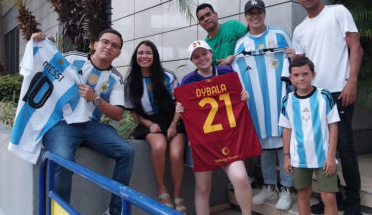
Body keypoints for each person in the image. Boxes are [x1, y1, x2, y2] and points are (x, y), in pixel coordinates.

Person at [32, 29, 135, 215]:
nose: (108, 47)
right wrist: (41, 43)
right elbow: (45, 63)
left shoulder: (116, 78)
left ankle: (115, 211)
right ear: (95, 44)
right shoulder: (72, 58)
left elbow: (118, 114)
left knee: (127, 151)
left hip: (90, 125)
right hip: (62, 123)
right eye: (105, 42)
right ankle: (60, 212)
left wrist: (95, 98)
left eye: (115, 46)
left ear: (118, 53)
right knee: (63, 161)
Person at [290, 0, 364, 214]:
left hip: (339, 92)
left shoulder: (337, 12)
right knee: (322, 150)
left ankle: (353, 201)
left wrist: (352, 81)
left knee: (344, 145)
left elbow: (356, 47)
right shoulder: (300, 30)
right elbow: (301, 65)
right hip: (313, 97)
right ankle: (331, 195)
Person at [175, 40, 252, 215]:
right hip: (203, 142)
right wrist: (180, 110)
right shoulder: (188, 80)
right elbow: (186, 111)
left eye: (204, 53)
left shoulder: (226, 71)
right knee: (203, 188)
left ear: (211, 53)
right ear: (192, 60)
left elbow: (235, 101)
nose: (202, 58)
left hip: (227, 137)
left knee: (241, 179)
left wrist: (243, 96)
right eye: (196, 56)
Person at [233, 0, 293, 210]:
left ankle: (286, 188)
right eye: (251, 13)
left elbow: (294, 63)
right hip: (256, 106)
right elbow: (236, 74)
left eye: (259, 12)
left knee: (282, 144)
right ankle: (270, 187)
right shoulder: (241, 45)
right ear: (246, 17)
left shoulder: (280, 35)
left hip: (280, 100)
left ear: (264, 13)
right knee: (264, 148)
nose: (255, 16)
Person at [124, 40, 186, 213]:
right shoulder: (131, 82)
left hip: (173, 118)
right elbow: (133, 112)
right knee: (159, 146)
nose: (144, 56)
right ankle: (161, 188)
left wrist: (174, 124)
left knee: (176, 153)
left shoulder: (168, 76)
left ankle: (178, 193)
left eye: (148, 53)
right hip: (149, 121)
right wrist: (149, 124)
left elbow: (180, 103)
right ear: (136, 57)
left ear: (155, 56)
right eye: (141, 53)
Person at [280, 56, 340, 215]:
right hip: (299, 157)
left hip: (324, 157)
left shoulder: (324, 96)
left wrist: (331, 155)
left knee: (329, 197)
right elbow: (286, 129)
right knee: (303, 194)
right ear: (291, 78)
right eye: (296, 75)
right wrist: (286, 156)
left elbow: (333, 125)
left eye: (305, 74)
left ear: (313, 75)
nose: (301, 78)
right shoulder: (287, 100)